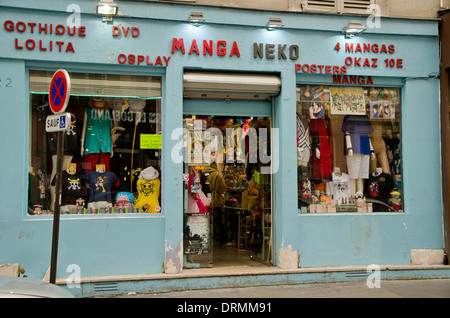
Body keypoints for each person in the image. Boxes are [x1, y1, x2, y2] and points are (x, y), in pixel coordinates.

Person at [203, 162, 230, 246]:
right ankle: (223, 239)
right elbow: (222, 188)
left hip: (206, 199)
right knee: (219, 221)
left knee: (208, 220)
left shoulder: (203, 173)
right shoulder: (216, 175)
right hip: (216, 200)